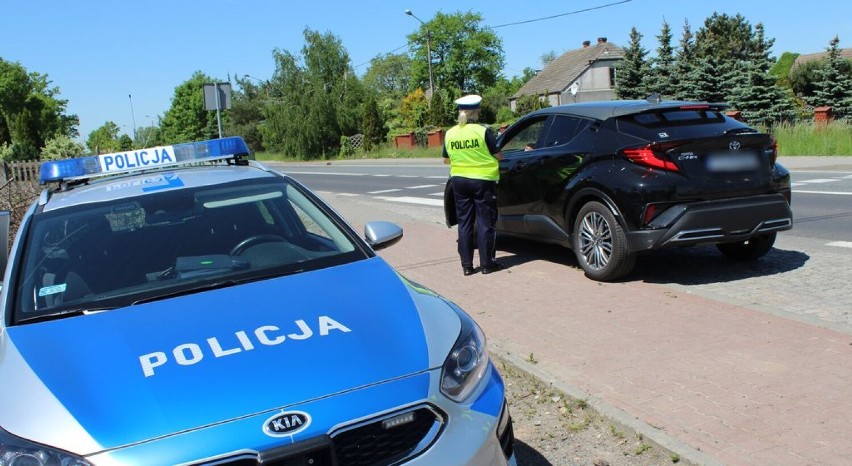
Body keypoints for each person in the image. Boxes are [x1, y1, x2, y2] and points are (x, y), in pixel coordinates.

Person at [442, 94, 504, 276]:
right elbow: (498, 155)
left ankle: (467, 266)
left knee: (464, 222)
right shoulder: (482, 131)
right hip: (483, 180)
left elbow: (445, 159)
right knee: (485, 222)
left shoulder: (450, 133)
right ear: (475, 111)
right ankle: (487, 264)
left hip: (459, 181)